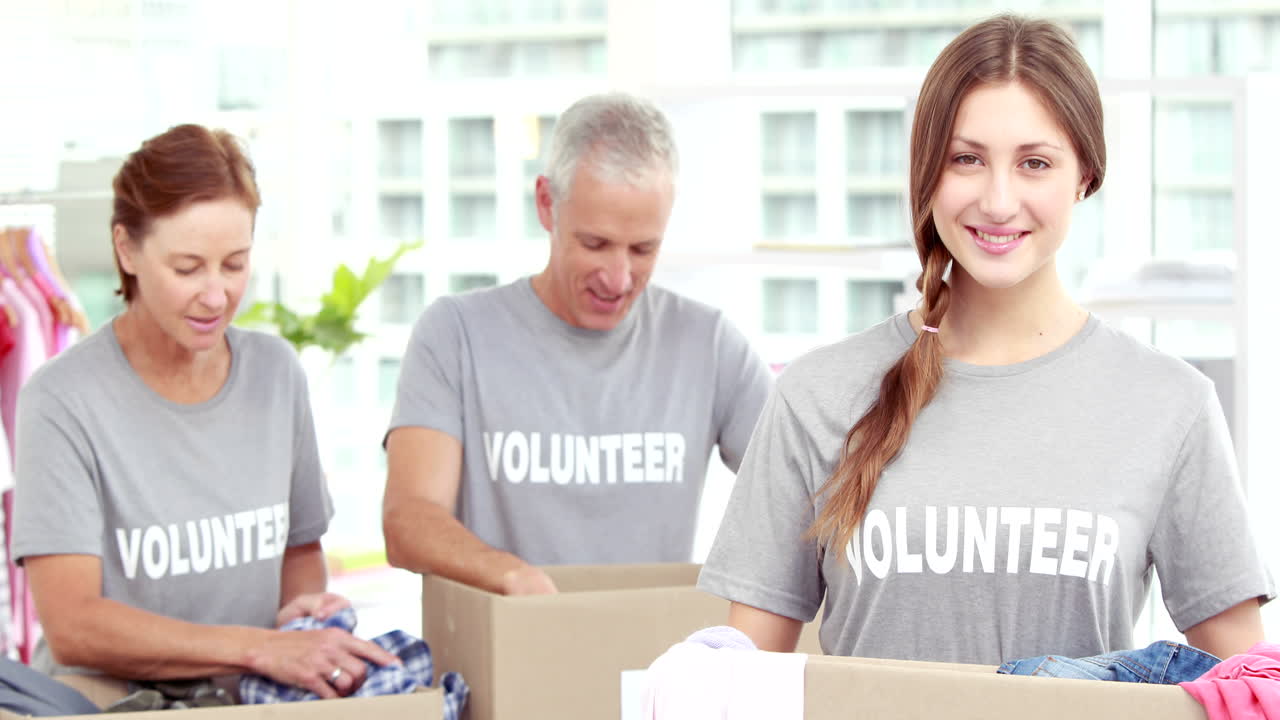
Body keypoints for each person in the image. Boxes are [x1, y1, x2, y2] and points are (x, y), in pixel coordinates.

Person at [697, 15, 1273, 664]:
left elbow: (1248, 687)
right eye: (966, 159)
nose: (999, 202)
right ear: (926, 172)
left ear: (1085, 175)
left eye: (1035, 163)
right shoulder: (815, 395)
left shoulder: (1170, 404)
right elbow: (741, 684)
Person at [11, 124, 397, 698]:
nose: (216, 296)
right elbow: (75, 628)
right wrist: (256, 647)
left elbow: (299, 552)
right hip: (109, 700)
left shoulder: (275, 375)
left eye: (234, 264)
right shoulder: (62, 400)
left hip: (246, 695)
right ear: (127, 249)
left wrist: (301, 615)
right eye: (187, 268)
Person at [382, 93, 773, 596]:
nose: (618, 278)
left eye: (643, 249)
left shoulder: (710, 345)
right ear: (547, 204)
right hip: (509, 635)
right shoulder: (454, 335)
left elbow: (815, 497)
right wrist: (508, 576)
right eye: (595, 244)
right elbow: (408, 519)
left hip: (654, 645)